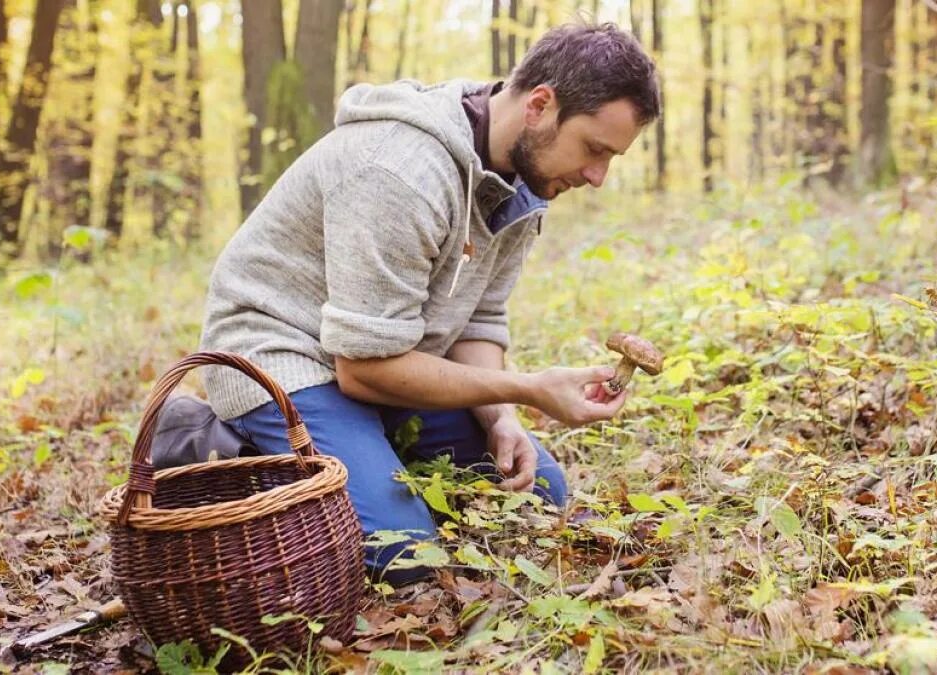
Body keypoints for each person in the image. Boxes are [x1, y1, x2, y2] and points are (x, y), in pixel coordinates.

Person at [199, 23, 661, 585]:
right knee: (406, 555)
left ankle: (366, 450)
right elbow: (364, 368)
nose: (597, 176)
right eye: (593, 149)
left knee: (541, 493)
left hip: (389, 360)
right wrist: (527, 387)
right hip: (282, 358)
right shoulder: (397, 172)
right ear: (541, 104)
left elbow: (480, 318)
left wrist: (503, 418)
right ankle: (232, 457)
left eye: (610, 158)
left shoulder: (527, 178)